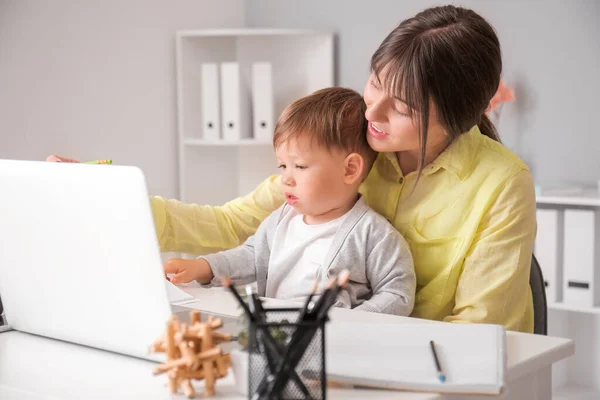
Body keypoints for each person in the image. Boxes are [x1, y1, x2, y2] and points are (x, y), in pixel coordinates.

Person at [47, 5, 537, 332]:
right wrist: (109, 199)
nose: (373, 112)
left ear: (459, 115)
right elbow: (233, 224)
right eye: (373, 83)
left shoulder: (502, 184)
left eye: (402, 108)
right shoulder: (357, 145)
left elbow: (478, 328)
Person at [166, 87, 416, 315]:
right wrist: (203, 266)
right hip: (277, 336)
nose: (286, 178)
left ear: (350, 169)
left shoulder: (373, 234)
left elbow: (397, 294)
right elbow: (251, 256)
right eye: (283, 166)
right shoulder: (281, 219)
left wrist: (353, 320)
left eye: (300, 166)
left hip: (331, 345)